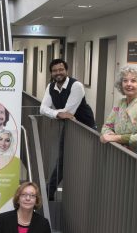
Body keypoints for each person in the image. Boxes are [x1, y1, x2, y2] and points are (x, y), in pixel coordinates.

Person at [39, 59, 96, 201]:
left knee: (82, 162)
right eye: (55, 70)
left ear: (66, 71)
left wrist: (54, 112)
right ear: (51, 73)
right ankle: (49, 192)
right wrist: (57, 114)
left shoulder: (76, 86)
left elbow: (68, 111)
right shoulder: (51, 86)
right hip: (70, 127)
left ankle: (50, 192)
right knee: (64, 159)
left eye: (61, 69)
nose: (58, 73)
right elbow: (42, 109)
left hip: (85, 128)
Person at [100, 66, 137, 150]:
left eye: (133, 81)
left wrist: (115, 138)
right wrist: (108, 135)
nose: (128, 84)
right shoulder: (120, 103)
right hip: (118, 153)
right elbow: (107, 127)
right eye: (125, 80)